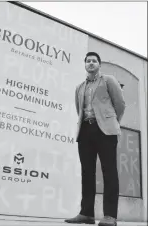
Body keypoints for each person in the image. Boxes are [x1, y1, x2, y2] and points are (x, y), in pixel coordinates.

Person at [65, 52, 126, 226]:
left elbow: (120, 104)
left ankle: (110, 216)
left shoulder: (108, 80)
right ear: (85, 64)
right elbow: (80, 110)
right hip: (85, 130)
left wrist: (112, 122)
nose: (91, 63)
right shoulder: (79, 87)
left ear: (99, 64)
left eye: (94, 61)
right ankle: (86, 214)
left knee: (109, 171)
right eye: (88, 61)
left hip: (106, 130)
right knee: (87, 172)